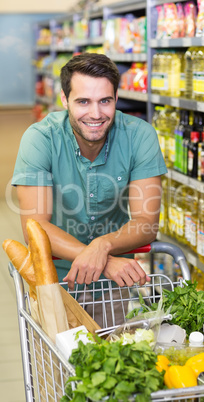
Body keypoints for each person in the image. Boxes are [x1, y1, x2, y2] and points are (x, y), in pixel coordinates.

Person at [12, 52, 167, 303]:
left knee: (114, 342)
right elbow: (35, 228)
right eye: (83, 101)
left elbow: (146, 222)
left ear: (117, 97)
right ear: (65, 99)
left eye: (105, 100)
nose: (96, 114)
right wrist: (101, 260)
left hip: (112, 287)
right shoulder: (40, 138)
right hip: (53, 281)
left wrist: (102, 245)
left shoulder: (140, 135)